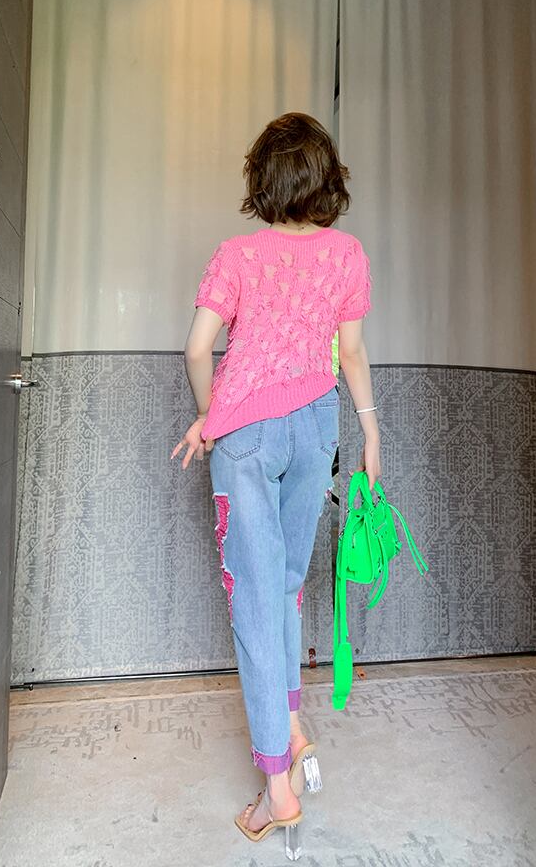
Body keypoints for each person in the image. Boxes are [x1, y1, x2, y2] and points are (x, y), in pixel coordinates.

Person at [170, 112, 380, 843]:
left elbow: (197, 349)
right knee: (286, 585)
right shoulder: (347, 254)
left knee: (255, 600)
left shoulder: (236, 255)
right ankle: (290, 725)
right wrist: (371, 432)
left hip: (248, 437)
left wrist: (211, 416)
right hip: (318, 426)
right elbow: (351, 354)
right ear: (326, 181)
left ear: (262, 179)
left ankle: (277, 790)